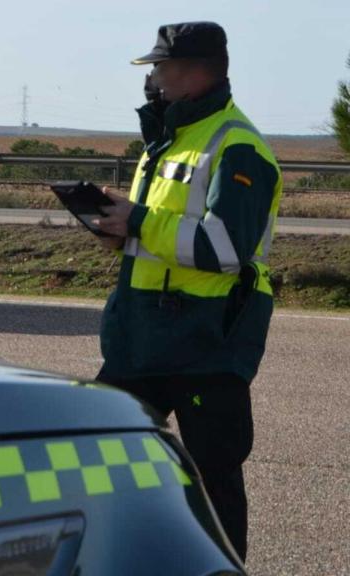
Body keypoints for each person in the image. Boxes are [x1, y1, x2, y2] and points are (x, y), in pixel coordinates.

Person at [92, 22, 283, 562]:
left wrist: (138, 220)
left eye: (161, 67)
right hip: (143, 335)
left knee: (213, 478)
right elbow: (159, 235)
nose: (152, 78)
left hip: (207, 340)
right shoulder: (167, 140)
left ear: (194, 73)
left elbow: (225, 247)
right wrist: (119, 231)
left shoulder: (238, 146)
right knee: (104, 450)